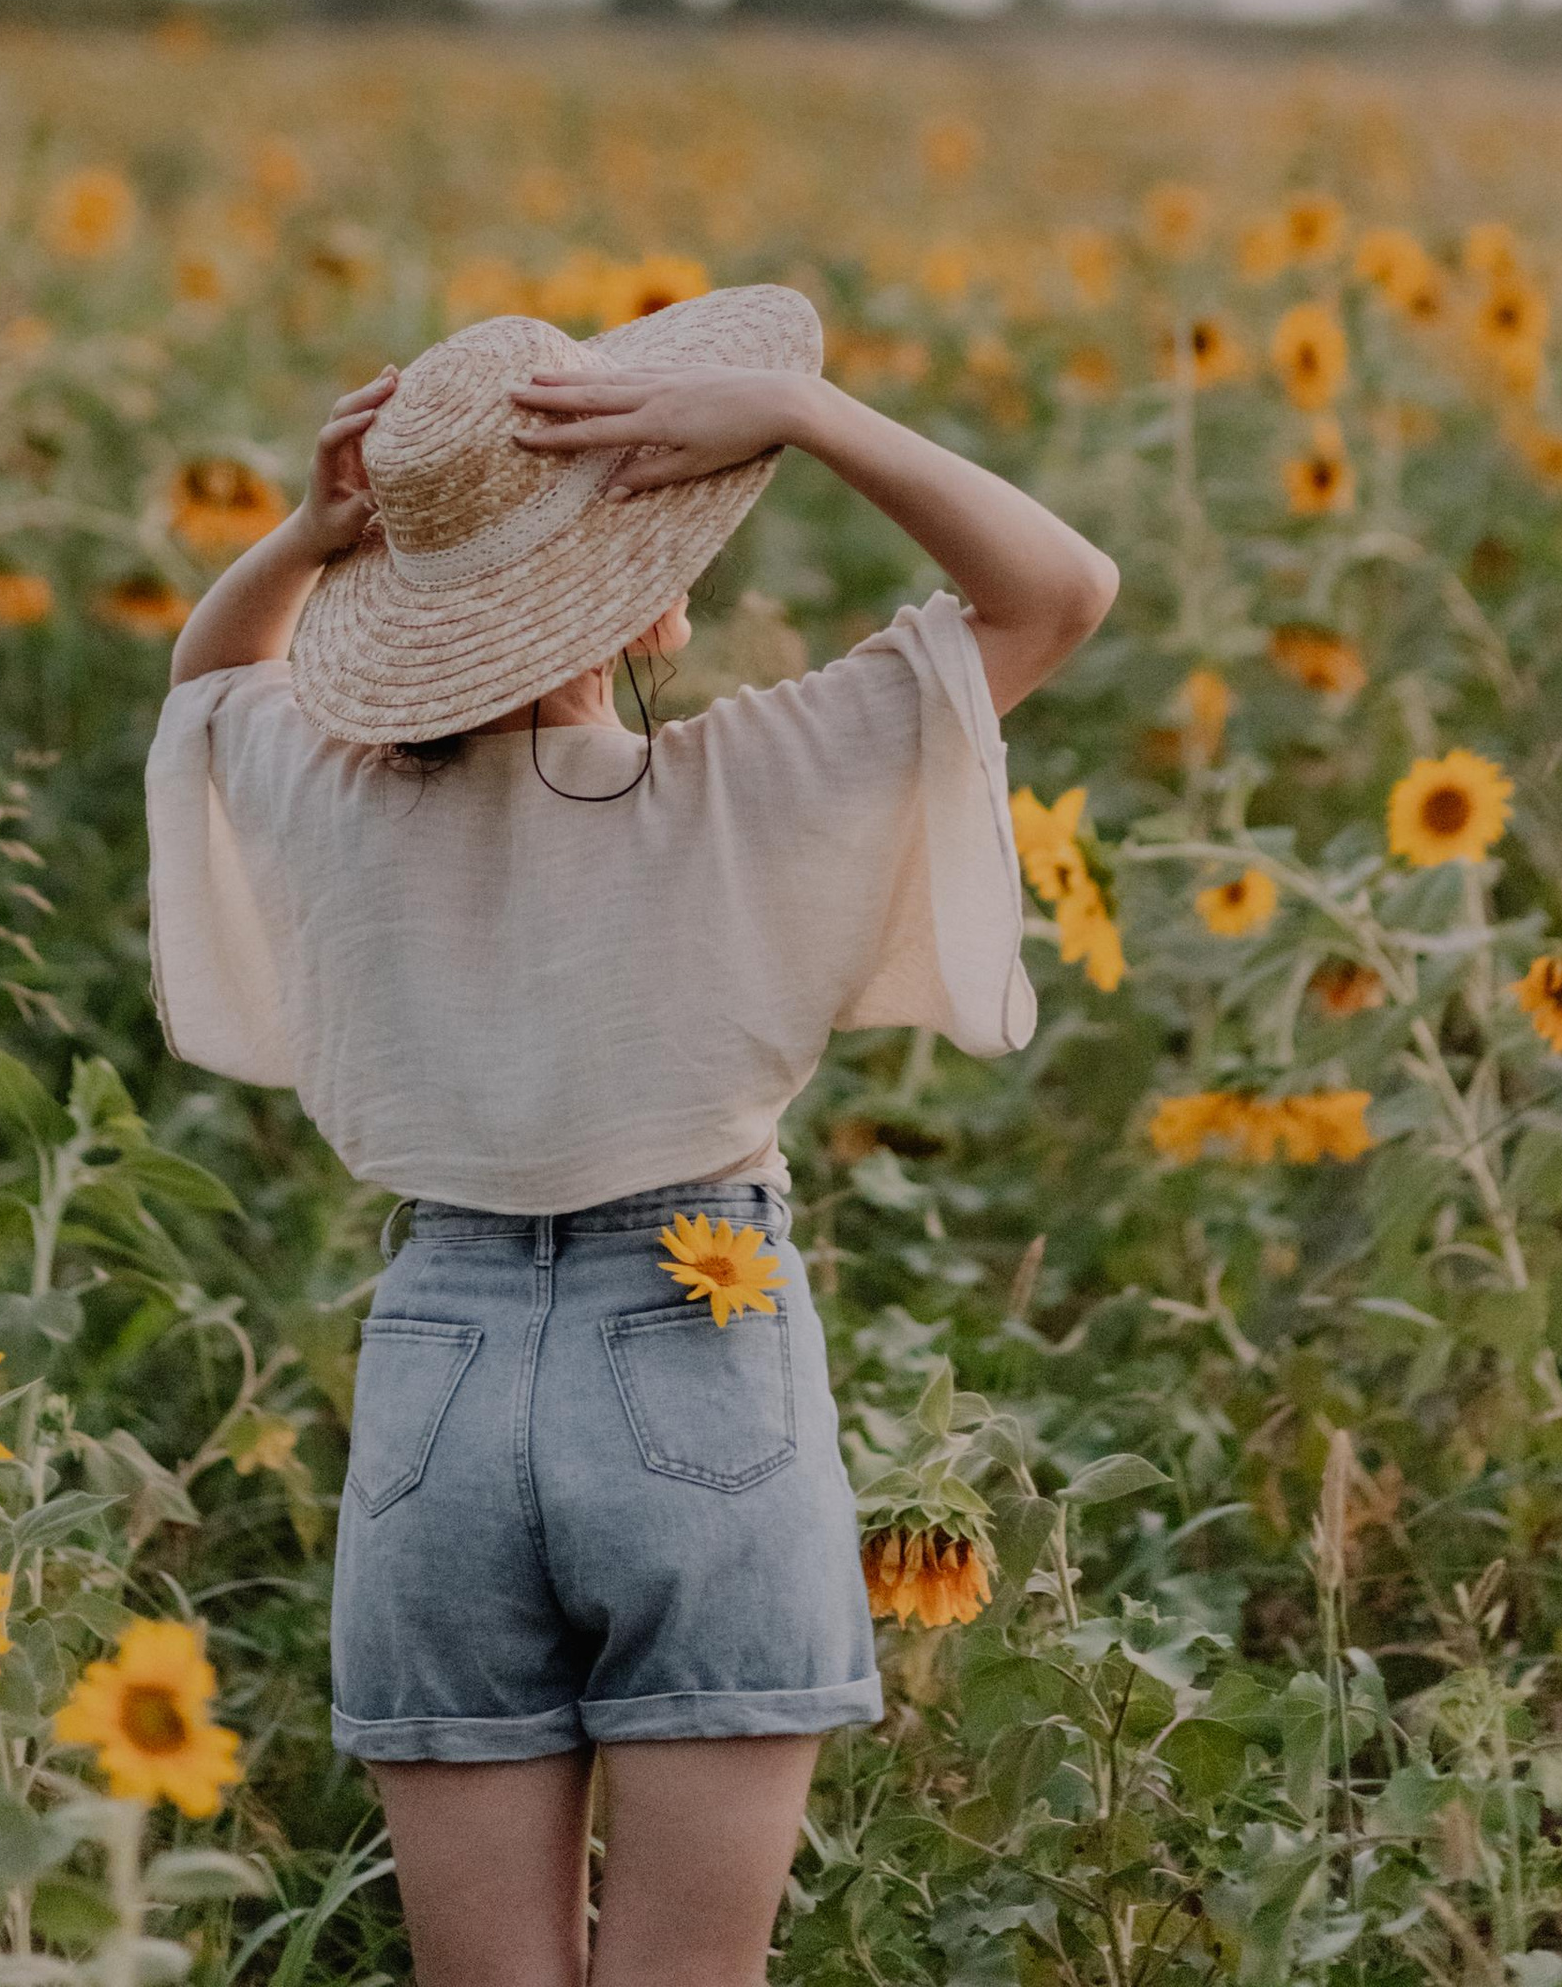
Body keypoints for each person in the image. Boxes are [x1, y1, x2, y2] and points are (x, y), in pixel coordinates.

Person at [147, 284, 1117, 1987]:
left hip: (435, 1367)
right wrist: (806, 417)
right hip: (700, 1336)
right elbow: (1060, 588)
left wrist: (308, 533)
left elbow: (210, 676)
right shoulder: (752, 782)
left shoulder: (328, 799)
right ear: (656, 601)